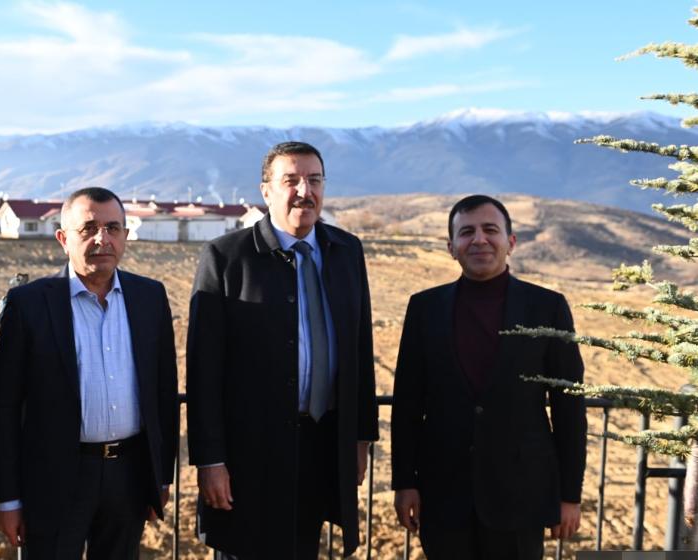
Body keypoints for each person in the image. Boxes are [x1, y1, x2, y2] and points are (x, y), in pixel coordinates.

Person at [187, 141, 378, 558]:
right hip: (250, 453)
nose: (304, 191)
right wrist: (210, 461)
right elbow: (204, 370)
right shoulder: (226, 257)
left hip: (322, 446)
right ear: (266, 191)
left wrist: (361, 438)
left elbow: (360, 349)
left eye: (315, 180)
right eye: (291, 180)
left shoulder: (347, 251)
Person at [391, 194, 587, 559]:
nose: (479, 239)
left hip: (520, 497)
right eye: (467, 232)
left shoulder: (548, 307)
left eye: (490, 230)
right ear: (451, 247)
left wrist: (569, 496)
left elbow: (569, 408)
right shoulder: (424, 307)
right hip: (442, 496)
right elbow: (407, 403)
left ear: (511, 242)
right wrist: (404, 482)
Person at [0, 187, 177, 559]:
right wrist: (7, 498)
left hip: (129, 475)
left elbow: (164, 393)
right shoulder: (29, 304)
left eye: (113, 228)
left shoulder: (150, 297)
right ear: (63, 239)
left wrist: (161, 476)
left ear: (125, 235)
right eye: (88, 228)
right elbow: (6, 406)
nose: (102, 239)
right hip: (55, 477)